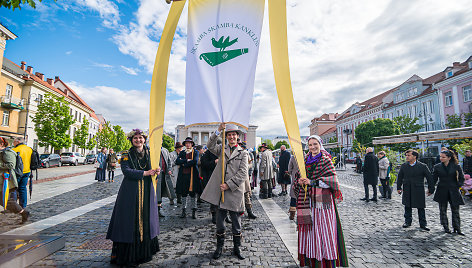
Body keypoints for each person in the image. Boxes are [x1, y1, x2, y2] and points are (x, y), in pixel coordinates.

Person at [106, 129, 160, 266]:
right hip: (130, 192)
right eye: (135, 138)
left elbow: (155, 169)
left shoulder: (150, 152)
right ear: (131, 140)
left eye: (140, 138)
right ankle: (129, 254)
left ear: (144, 139)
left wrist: (156, 171)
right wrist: (146, 173)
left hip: (147, 190)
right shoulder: (125, 154)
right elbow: (126, 171)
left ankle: (143, 252)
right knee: (130, 220)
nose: (138, 140)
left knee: (145, 218)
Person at [296, 135, 348, 267]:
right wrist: (300, 181)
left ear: (320, 144)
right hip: (308, 199)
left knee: (323, 229)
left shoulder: (326, 160)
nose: (313, 147)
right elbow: (298, 176)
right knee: (311, 230)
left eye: (315, 144)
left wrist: (312, 182)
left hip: (322, 201)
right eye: (310, 145)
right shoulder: (305, 160)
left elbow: (332, 181)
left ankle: (324, 259)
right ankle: (311, 257)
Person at [201, 123, 248, 260]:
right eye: (229, 135)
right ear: (226, 137)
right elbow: (209, 146)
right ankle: (219, 247)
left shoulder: (243, 152)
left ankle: (237, 248)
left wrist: (228, 184)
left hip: (234, 191)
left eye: (234, 135)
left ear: (237, 137)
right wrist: (218, 131)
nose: (232, 137)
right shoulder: (221, 149)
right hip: (221, 192)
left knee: (236, 222)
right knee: (220, 222)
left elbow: (243, 173)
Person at [397, 149, 434, 231]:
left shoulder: (423, 166)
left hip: (418, 188)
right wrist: (399, 187)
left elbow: (429, 178)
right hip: (407, 188)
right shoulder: (404, 166)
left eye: (408, 155)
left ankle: (423, 224)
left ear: (415, 156)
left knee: (420, 207)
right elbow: (399, 177)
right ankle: (407, 221)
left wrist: (431, 189)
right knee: (407, 205)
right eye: (406, 155)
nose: (407, 157)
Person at [431, 150, 465, 235]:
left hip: (454, 190)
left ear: (449, 158)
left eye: (443, 157)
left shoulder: (456, 166)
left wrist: (458, 186)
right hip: (442, 190)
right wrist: (430, 189)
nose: (441, 158)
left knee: (455, 211)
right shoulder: (437, 167)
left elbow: (462, 178)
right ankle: (445, 227)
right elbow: (434, 179)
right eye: (440, 157)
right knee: (442, 210)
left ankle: (457, 228)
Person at [0, 137, 29, 223]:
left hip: (7, 181)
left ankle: (24, 212)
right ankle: (23, 212)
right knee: (5, 201)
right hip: (2, 181)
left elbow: (11, 165)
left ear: (2, 144)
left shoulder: (8, 152)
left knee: (7, 202)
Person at [176, 137, 202, 219]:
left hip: (192, 176)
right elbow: (177, 161)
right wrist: (187, 160)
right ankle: (183, 211)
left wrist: (183, 163)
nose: (188, 144)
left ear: (192, 144)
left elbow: (194, 161)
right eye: (186, 143)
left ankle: (194, 211)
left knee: (192, 193)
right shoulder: (182, 152)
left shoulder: (196, 152)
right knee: (184, 193)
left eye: (189, 143)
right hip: (183, 175)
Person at [12, 137, 33, 209]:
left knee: (13, 189)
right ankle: (23, 206)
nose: (13, 143)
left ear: (18, 142)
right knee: (23, 188)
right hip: (27, 171)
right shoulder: (29, 149)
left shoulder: (15, 150)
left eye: (14, 141)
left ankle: (14, 207)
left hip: (17, 172)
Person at [239, 141, 257, 220]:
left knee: (246, 195)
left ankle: (249, 211)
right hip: (234, 178)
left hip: (244, 177)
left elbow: (250, 164)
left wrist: (246, 166)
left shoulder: (246, 153)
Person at [157, 146, 176, 217]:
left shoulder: (165, 150)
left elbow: (169, 161)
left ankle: (158, 209)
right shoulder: (152, 150)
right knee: (156, 193)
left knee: (161, 192)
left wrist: (169, 169)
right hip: (156, 176)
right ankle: (155, 210)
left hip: (164, 175)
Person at [287, 154, 299, 220]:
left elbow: (289, 169)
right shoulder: (306, 156)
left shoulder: (293, 157)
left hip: (295, 179)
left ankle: (292, 214)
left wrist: (293, 174)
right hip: (304, 180)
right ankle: (303, 216)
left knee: (293, 198)